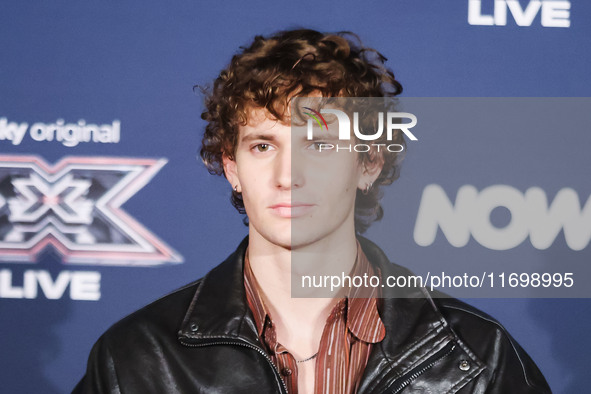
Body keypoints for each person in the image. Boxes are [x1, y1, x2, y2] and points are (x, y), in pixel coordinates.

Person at [74, 29, 551, 393]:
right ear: (232, 167)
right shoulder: (138, 356)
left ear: (368, 163)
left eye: (319, 146)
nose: (288, 174)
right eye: (262, 146)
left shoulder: (472, 355)